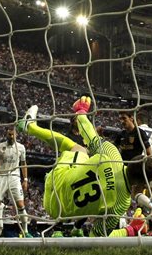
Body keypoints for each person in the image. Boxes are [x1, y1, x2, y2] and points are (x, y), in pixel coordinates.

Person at [17, 97, 134, 236]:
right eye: (74, 120)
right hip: (62, 197)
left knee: (79, 151)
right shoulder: (121, 204)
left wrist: (82, 112)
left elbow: (90, 139)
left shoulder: (110, 155)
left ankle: (30, 127)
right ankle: (63, 229)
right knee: (96, 199)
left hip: (58, 188)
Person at [118, 109, 152, 227]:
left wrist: (150, 170)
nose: (121, 121)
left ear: (132, 118)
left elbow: (149, 153)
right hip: (124, 167)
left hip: (135, 167)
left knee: (125, 195)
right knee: (133, 195)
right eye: (120, 119)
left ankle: (123, 223)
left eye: (124, 118)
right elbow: (113, 148)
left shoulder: (139, 133)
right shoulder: (121, 135)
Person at [0, 126, 30, 237]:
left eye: (13, 134)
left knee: (21, 205)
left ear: (16, 135)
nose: (11, 136)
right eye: (9, 134)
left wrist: (25, 179)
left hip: (15, 177)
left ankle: (25, 232)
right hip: (2, 176)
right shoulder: (0, 147)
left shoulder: (21, 148)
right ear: (6, 134)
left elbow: (24, 164)